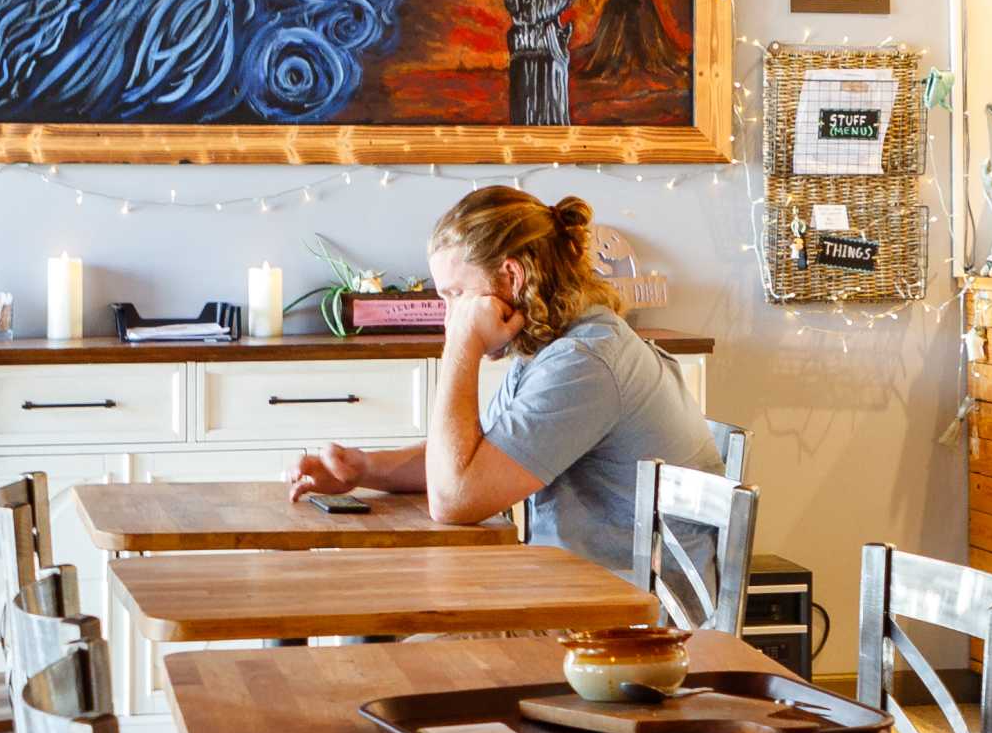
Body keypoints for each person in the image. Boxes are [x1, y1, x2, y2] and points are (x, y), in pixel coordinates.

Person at [284, 185, 719, 572]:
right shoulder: (553, 350)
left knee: (405, 654)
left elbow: (454, 499)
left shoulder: (584, 364)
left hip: (628, 632)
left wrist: (461, 346)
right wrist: (361, 469)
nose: (449, 318)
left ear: (511, 277)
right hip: (585, 602)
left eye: (455, 295)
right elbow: (473, 464)